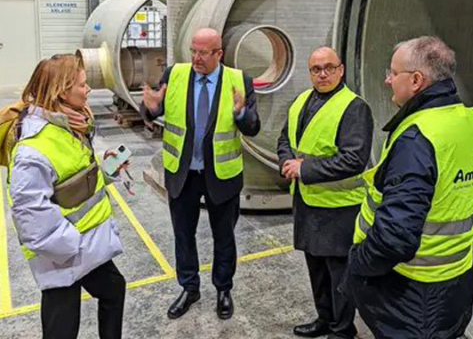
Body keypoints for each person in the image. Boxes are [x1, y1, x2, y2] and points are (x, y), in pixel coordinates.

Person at [345, 36, 473, 338]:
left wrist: (356, 265)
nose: (387, 80)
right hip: (458, 285)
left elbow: (395, 239)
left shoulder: (417, 139)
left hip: (410, 296)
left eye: (392, 72)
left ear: (416, 80)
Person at [141, 28, 260, 320]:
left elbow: (253, 127)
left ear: (219, 54)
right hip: (183, 174)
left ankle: (223, 289)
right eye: (193, 50)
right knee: (183, 235)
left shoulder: (238, 80)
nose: (196, 58)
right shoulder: (175, 74)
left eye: (203, 52)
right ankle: (189, 287)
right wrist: (151, 107)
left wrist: (241, 113)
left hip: (222, 174)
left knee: (224, 237)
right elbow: (155, 110)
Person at [7, 54, 126, 339]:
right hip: (63, 255)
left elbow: (76, 179)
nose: (89, 90)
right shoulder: (31, 152)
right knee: (62, 329)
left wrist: (106, 170)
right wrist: (76, 248)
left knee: (114, 289)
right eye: (83, 85)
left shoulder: (68, 128)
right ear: (62, 91)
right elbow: (32, 222)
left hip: (86, 248)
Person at [277, 46, 373, 338]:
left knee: (338, 275)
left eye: (328, 68)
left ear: (341, 70)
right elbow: (285, 140)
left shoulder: (354, 107)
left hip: (338, 208)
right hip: (307, 203)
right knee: (316, 268)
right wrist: (286, 162)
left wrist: (304, 170)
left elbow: (354, 159)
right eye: (316, 69)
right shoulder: (301, 101)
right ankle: (324, 318)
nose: (322, 74)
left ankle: (343, 330)